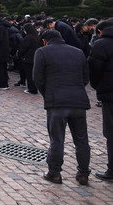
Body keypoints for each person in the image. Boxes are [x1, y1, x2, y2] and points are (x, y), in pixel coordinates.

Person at [33, 29, 91, 186]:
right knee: (82, 140)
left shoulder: (42, 52)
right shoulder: (78, 52)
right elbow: (86, 77)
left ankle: (55, 172)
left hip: (56, 102)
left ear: (45, 40)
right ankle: (84, 173)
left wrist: (48, 94)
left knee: (57, 139)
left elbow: (37, 78)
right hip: (78, 101)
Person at [87, 19, 113, 181]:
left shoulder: (101, 44)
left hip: (110, 94)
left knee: (111, 132)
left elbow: (94, 70)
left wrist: (98, 87)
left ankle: (112, 170)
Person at [18, 23, 42, 95]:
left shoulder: (28, 37)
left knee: (29, 74)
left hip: (28, 58)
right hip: (36, 57)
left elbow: (24, 48)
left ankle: (32, 89)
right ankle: (35, 88)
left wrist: (20, 54)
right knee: (34, 74)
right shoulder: (37, 36)